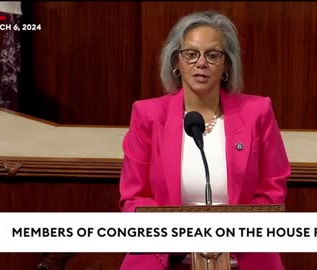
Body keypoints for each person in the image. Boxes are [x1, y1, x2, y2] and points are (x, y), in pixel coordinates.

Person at [119, 11, 291, 270]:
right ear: (176, 61)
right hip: (164, 254)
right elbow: (133, 197)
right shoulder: (148, 115)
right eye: (191, 54)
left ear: (227, 65)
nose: (201, 63)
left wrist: (228, 235)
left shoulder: (258, 112)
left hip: (243, 254)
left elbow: (272, 190)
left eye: (213, 55)